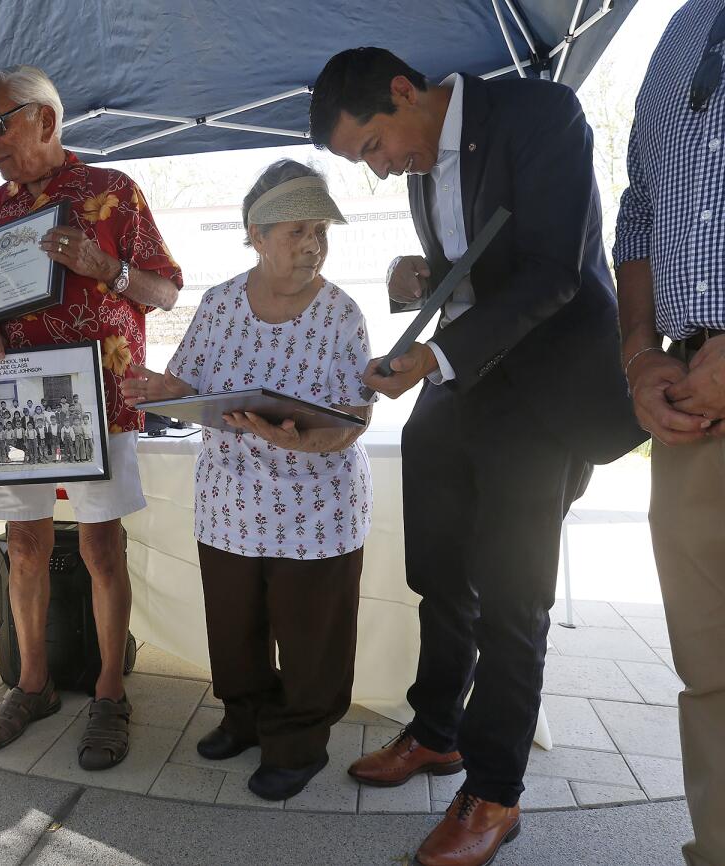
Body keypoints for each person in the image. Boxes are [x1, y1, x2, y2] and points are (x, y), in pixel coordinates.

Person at [310, 49, 643, 865]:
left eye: (373, 149)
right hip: (462, 394)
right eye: (367, 163)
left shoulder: (540, 115)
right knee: (436, 571)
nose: (383, 172)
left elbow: (554, 273)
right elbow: (480, 268)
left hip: (544, 394)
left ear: (402, 92)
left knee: (512, 598)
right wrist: (421, 281)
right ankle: (437, 732)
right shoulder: (426, 159)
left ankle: (494, 795)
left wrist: (433, 355)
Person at [123, 160, 371, 799]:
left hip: (316, 510)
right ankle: (245, 716)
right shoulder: (220, 303)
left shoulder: (342, 314)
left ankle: (298, 742)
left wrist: (304, 438)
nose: (313, 243)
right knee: (234, 626)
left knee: (312, 634)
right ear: (256, 236)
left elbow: (353, 418)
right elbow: (188, 383)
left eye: (320, 230)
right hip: (230, 503)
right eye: (297, 230)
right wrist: (160, 390)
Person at [0, 65, 181, 769]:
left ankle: (110, 693)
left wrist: (101, 264)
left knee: (99, 549)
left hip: (101, 398)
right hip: (15, 403)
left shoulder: (112, 191)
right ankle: (33, 686)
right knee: (23, 546)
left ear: (45, 119)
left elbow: (166, 291)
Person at [614, 4, 725, 863]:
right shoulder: (678, 31)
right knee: (713, 668)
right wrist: (641, 356)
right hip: (689, 403)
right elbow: (641, 211)